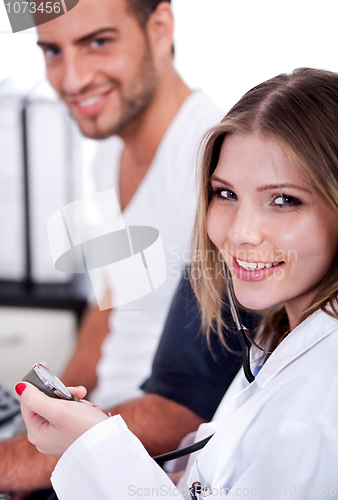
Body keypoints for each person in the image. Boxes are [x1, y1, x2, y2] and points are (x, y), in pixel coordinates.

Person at [17, 67, 338, 498]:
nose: (241, 231)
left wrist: (93, 448)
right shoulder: (277, 332)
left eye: (283, 200)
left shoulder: (319, 410)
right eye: (225, 193)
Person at [0, 0, 225, 495]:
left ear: (160, 28)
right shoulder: (106, 157)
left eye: (98, 42)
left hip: (146, 466)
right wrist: (34, 422)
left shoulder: (220, 165)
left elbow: (183, 406)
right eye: (52, 50)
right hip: (98, 433)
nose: (72, 79)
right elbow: (109, 312)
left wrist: (19, 461)